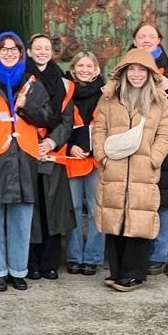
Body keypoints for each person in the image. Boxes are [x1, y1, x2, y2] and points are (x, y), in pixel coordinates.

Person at [0, 32, 58, 291]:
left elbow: (47, 119)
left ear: (21, 53)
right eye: (3, 49)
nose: (9, 53)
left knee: (21, 218)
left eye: (14, 49)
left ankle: (18, 270)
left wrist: (26, 107)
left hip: (24, 161)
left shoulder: (33, 83)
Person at [92, 48, 168, 292]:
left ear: (150, 73)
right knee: (114, 220)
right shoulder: (109, 99)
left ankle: (134, 274)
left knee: (138, 221)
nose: (137, 74)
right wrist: (102, 157)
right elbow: (98, 128)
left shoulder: (160, 101)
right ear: (124, 72)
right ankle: (117, 272)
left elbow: (167, 132)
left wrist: (155, 157)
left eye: (142, 70)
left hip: (143, 171)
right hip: (114, 170)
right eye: (132, 69)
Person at [129, 22, 168, 276]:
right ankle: (136, 251)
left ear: (159, 40)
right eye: (141, 36)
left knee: (161, 202)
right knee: (134, 201)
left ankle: (158, 254)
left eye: (151, 36)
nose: (146, 39)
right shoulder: (126, 68)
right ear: (134, 41)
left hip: (160, 148)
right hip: (132, 147)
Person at [24, 33, 76, 280]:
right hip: (27, 152)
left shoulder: (64, 84)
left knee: (52, 211)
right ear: (29, 52)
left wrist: (51, 142)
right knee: (30, 209)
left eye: (47, 48)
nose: (42, 52)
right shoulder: (21, 79)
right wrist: (34, 144)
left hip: (53, 155)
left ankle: (50, 263)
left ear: (52, 53)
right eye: (38, 48)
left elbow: (67, 120)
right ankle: (30, 262)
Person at [64, 50, 105, 276]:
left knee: (97, 209)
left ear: (97, 69)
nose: (85, 70)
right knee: (74, 209)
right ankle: (74, 255)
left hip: (98, 160)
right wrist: (70, 144)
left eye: (90, 66)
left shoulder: (108, 93)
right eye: (81, 66)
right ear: (73, 69)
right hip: (72, 158)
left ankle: (93, 256)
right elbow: (59, 122)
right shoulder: (65, 92)